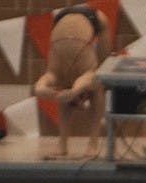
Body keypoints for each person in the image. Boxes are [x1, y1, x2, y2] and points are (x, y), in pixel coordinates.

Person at [33, 5, 111, 160]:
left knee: (98, 76)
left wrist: (61, 94)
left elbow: (38, 89)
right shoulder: (62, 75)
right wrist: (65, 94)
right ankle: (90, 144)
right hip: (85, 19)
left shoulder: (57, 75)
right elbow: (39, 89)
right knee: (98, 80)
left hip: (66, 18)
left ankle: (67, 144)